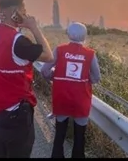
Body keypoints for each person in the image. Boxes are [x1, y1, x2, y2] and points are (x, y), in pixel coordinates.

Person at [0, 0, 54, 158]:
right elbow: (48, 56)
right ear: (15, 12)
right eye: (24, 10)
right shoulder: (17, 41)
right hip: (15, 112)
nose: (26, 14)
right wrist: (33, 27)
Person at [39, 23, 100, 158]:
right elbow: (96, 78)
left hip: (62, 97)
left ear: (68, 34)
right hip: (81, 99)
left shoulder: (59, 50)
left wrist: (53, 77)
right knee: (80, 136)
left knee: (60, 133)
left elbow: (44, 70)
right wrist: (85, 78)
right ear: (85, 35)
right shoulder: (90, 54)